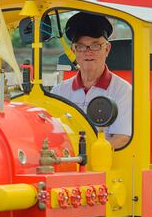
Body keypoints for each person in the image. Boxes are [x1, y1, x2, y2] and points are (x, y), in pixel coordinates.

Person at [51, 12, 132, 149]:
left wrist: (88, 156)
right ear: (73, 51)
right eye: (81, 46)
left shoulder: (123, 90)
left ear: (106, 49)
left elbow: (122, 138)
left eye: (95, 46)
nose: (88, 52)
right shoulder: (59, 91)